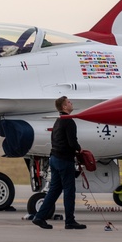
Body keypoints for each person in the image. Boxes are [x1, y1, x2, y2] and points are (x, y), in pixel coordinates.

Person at [29, 96, 87, 229]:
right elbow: (72, 142)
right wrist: (80, 149)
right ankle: (70, 221)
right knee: (69, 191)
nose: (71, 103)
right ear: (64, 107)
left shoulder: (58, 121)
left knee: (54, 191)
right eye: (68, 102)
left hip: (54, 159)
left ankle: (40, 217)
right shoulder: (69, 122)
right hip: (64, 160)